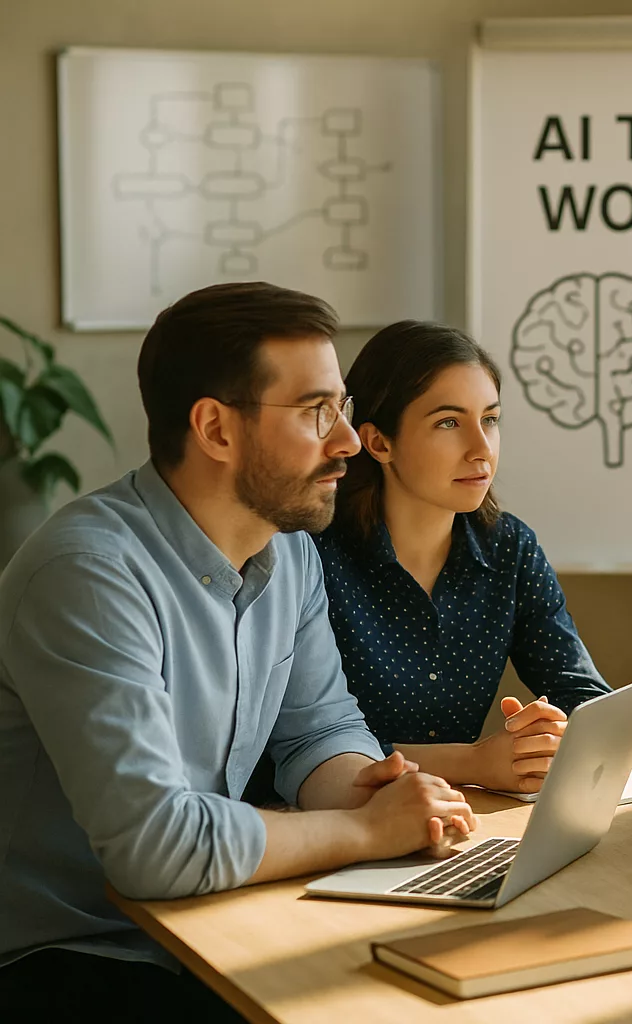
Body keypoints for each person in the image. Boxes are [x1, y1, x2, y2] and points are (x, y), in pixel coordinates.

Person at [0, 283, 478, 1020]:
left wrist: (376, 791)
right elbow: (154, 848)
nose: (348, 441)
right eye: (317, 411)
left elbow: (319, 731)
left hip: (213, 922)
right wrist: (363, 830)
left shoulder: (291, 556)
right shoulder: (87, 574)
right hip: (74, 955)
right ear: (216, 430)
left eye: (342, 408)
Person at [314, 321, 610, 795]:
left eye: (490, 420)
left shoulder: (510, 548)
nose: (481, 450)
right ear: (378, 442)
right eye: (449, 423)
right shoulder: (312, 557)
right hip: (336, 822)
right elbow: (294, 747)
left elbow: (588, 698)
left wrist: (550, 736)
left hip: (456, 818)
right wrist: (471, 762)